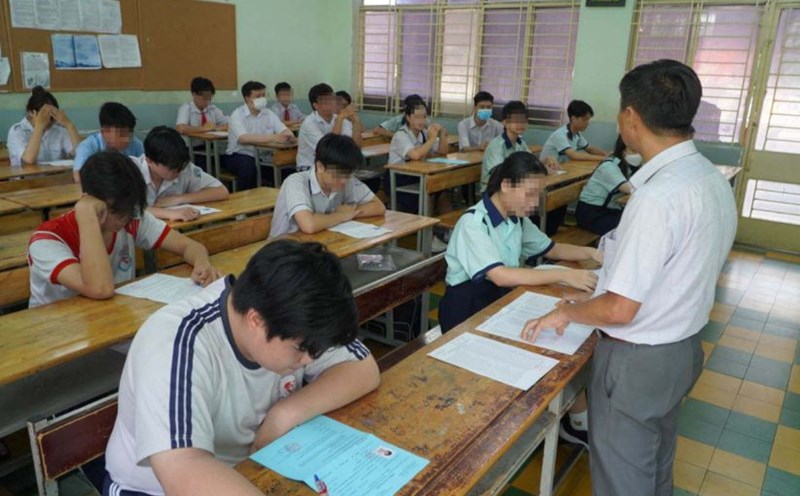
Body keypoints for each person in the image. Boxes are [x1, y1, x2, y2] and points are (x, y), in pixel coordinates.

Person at [521, 59, 737, 496]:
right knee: (654, 466)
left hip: (638, 362)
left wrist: (568, 312)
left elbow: (620, 309)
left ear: (631, 118)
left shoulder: (657, 197)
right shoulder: (708, 178)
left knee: (624, 480)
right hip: (681, 349)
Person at [103, 240, 381, 495]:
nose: (309, 360)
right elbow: (183, 468)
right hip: (157, 488)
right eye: (300, 350)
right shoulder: (176, 342)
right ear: (256, 321)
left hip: (248, 468)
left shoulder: (290, 316)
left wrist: (285, 414)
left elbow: (362, 368)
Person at [28, 152, 222, 308]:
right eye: (116, 211)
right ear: (88, 199)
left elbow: (190, 246)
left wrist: (202, 264)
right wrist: (87, 215)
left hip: (112, 317)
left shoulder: (131, 218)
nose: (124, 218)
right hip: (58, 332)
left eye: (129, 210)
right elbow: (100, 288)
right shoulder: (48, 240)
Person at [439, 151, 601, 333]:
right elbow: (500, 276)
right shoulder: (474, 223)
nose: (534, 203)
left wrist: (593, 253)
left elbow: (552, 249)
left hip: (499, 300)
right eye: (529, 194)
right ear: (506, 186)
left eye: (538, 195)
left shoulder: (516, 219)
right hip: (466, 310)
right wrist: (564, 275)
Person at [269, 134, 385, 238]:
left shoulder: (345, 179)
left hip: (318, 241)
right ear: (320, 167)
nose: (344, 181)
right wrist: (341, 215)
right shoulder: (296, 182)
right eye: (338, 175)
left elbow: (378, 207)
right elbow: (308, 225)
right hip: (283, 248)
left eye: (348, 175)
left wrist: (348, 213)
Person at [132, 126, 229, 222]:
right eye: (172, 168)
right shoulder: (130, 170)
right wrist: (169, 213)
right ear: (149, 161)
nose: (178, 172)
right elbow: (129, 209)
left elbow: (221, 191)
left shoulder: (183, 166)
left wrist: (179, 199)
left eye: (180, 167)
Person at [385, 98, 449, 227]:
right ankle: (425, 230)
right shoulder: (401, 135)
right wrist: (431, 139)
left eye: (424, 117)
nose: (422, 121)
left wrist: (441, 134)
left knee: (441, 189)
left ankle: (445, 230)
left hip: (418, 175)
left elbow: (443, 151)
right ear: (408, 118)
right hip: (398, 178)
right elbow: (415, 155)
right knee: (430, 190)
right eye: (417, 117)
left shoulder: (424, 133)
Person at [225, 81, 296, 190]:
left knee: (287, 171)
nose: (262, 99)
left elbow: (285, 131)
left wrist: (288, 136)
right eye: (258, 96)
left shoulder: (269, 113)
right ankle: (245, 199)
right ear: (247, 98)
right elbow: (243, 138)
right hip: (240, 155)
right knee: (248, 168)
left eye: (263, 95)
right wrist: (274, 137)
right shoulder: (237, 115)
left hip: (264, 156)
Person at [575, 135, 639, 236]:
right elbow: (629, 188)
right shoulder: (609, 166)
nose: (637, 155)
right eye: (633, 151)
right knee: (631, 228)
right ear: (622, 149)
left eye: (639, 151)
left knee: (638, 221)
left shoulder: (629, 166)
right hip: (591, 214)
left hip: (610, 210)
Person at [7, 86, 81, 166]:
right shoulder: (17, 131)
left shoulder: (58, 129)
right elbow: (28, 159)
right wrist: (39, 127)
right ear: (31, 113)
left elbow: (80, 154)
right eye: (45, 116)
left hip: (55, 173)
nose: (49, 120)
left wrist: (69, 125)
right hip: (28, 174)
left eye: (52, 116)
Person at [296, 83, 362, 171]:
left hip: (333, 167)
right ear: (315, 105)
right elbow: (329, 150)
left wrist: (356, 122)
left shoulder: (338, 118)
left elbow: (356, 148)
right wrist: (340, 119)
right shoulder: (309, 123)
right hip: (310, 168)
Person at [73, 102, 144, 183]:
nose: (127, 139)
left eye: (130, 134)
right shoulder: (87, 147)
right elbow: (78, 177)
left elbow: (147, 170)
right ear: (104, 132)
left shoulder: (136, 145)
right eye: (122, 134)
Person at [176, 77, 229, 171]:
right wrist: (204, 128)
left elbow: (230, 123)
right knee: (204, 167)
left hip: (211, 147)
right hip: (192, 150)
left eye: (209, 97)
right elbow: (181, 128)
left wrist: (216, 128)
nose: (207, 100)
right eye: (203, 97)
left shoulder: (212, 109)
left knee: (228, 159)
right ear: (194, 94)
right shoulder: (186, 108)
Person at [480, 101, 532, 192]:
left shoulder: (521, 143)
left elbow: (530, 164)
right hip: (494, 191)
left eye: (524, 120)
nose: (521, 124)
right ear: (505, 123)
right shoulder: (496, 145)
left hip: (514, 186)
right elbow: (500, 174)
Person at [540, 100, 607, 164]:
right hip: (546, 169)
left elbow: (589, 148)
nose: (588, 123)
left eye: (588, 119)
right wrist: (602, 158)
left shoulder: (577, 134)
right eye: (585, 119)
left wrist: (606, 154)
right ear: (573, 119)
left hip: (561, 167)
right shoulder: (560, 134)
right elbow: (574, 155)